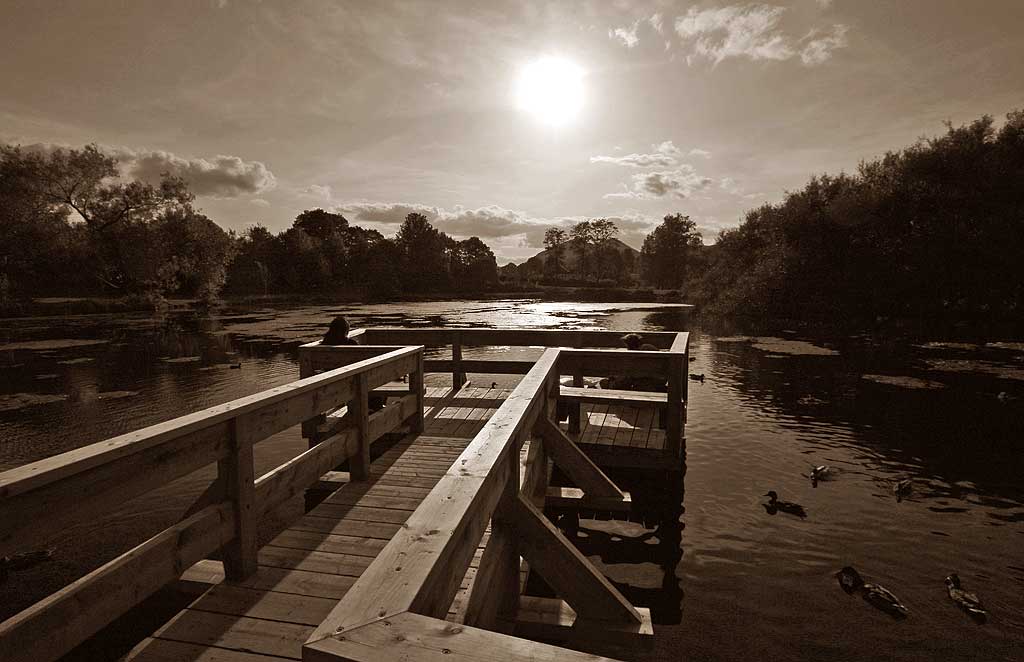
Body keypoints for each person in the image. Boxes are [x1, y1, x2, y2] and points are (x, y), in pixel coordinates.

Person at [321, 316, 385, 411]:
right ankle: (373, 409)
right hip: (351, 383)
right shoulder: (350, 344)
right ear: (345, 331)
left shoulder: (323, 344)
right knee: (376, 383)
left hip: (331, 382)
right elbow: (363, 362)